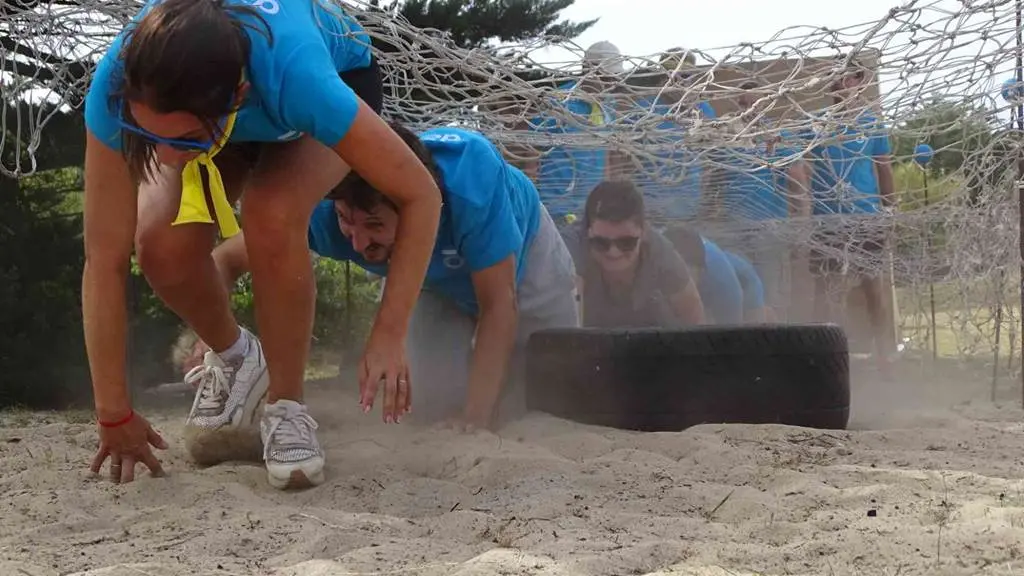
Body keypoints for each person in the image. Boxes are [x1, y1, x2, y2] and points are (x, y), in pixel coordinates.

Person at [82, 0, 443, 489]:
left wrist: (389, 332)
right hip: (219, 119)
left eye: (181, 141)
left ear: (239, 95)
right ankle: (237, 358)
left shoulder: (301, 78)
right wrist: (113, 413)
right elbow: (103, 258)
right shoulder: (118, 86)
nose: (164, 157)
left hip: (330, 79)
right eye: (147, 134)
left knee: (270, 212)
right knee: (160, 246)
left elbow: (421, 194)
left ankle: (287, 407)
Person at [210, 122, 579, 429]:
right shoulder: (326, 216)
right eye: (346, 221)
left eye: (374, 224)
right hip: (435, 285)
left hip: (528, 267)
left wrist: (474, 422)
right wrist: (213, 337)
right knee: (432, 402)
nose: (358, 243)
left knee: (551, 392)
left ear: (418, 216)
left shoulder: (472, 182)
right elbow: (224, 261)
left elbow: (499, 306)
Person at [804, 55, 896, 371]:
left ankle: (885, 354)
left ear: (859, 83)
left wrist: (890, 210)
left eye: (848, 77)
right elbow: (798, 165)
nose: (840, 83)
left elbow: (884, 169)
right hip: (826, 217)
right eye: (835, 77)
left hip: (865, 216)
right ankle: (820, 357)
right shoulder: (813, 122)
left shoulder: (873, 122)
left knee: (873, 285)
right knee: (824, 289)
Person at [560, 180, 706, 328]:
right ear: (587, 232)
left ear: (643, 233)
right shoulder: (567, 250)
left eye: (626, 243)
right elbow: (566, 331)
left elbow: (693, 315)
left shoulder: (659, 251)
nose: (613, 252)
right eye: (601, 243)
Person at [663, 226, 746, 325]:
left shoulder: (724, 286)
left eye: (681, 283)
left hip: (740, 272)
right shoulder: (650, 268)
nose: (676, 287)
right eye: (671, 281)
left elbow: (733, 336)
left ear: (701, 272)